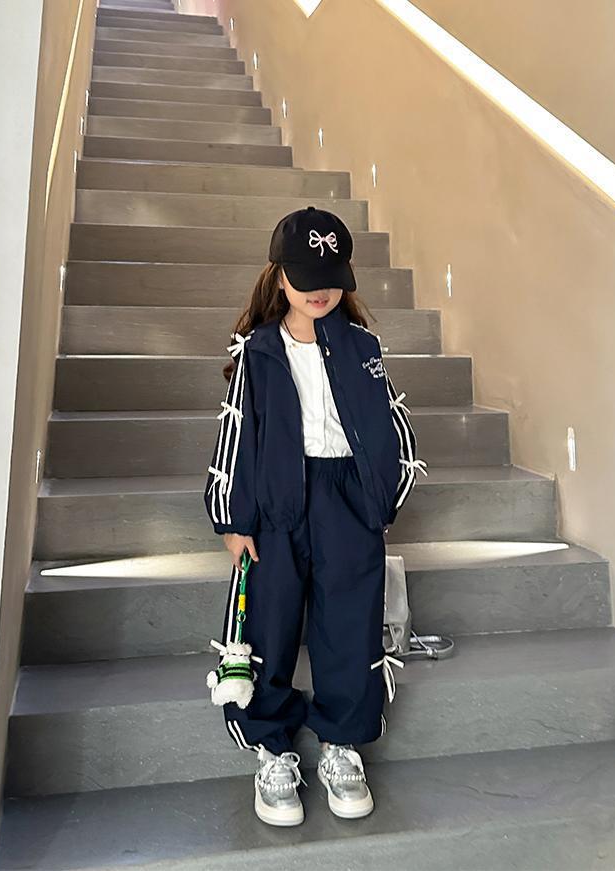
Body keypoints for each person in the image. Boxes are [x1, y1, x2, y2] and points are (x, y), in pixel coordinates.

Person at [203, 205, 428, 827]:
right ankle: (272, 748)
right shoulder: (259, 351)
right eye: (305, 277)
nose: (319, 290)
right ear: (280, 278)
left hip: (346, 499)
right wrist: (232, 516)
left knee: (349, 619)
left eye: (330, 277)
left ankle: (341, 742)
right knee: (270, 621)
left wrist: (381, 497)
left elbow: (387, 422)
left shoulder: (362, 347)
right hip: (277, 498)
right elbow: (237, 432)